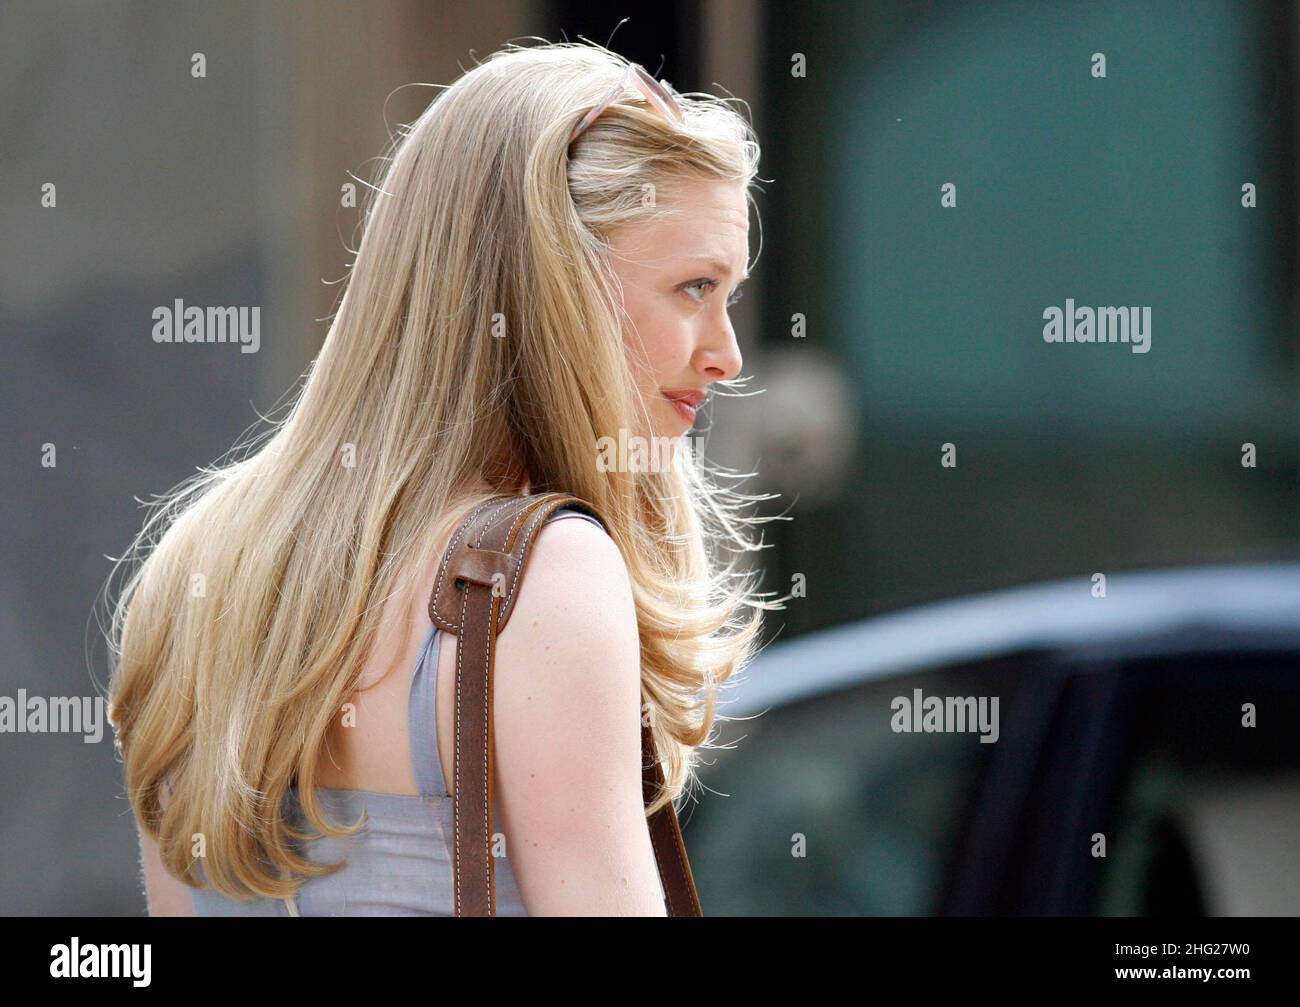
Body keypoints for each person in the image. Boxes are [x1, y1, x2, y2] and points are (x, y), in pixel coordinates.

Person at [106, 38, 777, 916]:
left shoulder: (195, 568)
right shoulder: (544, 576)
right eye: (694, 286)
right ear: (554, 284)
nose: (725, 355)